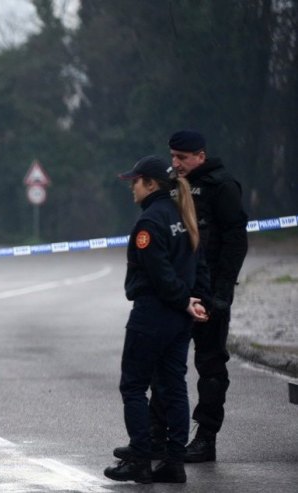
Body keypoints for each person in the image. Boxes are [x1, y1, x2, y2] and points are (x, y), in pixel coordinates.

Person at [104, 155, 210, 484]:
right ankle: (173, 462)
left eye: (135, 182)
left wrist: (182, 299)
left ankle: (139, 459)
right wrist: (197, 301)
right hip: (180, 319)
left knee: (134, 387)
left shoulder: (149, 222)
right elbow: (198, 265)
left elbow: (160, 273)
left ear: (150, 184)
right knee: (174, 386)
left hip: (153, 313)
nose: (131, 188)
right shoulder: (183, 215)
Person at [149, 130, 248, 463]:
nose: (176, 163)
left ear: (200, 156)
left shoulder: (222, 187)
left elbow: (236, 241)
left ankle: (206, 438)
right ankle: (155, 439)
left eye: (183, 157)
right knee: (164, 367)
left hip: (208, 293)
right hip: (177, 293)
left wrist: (221, 294)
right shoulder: (173, 186)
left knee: (210, 366)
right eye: (172, 156)